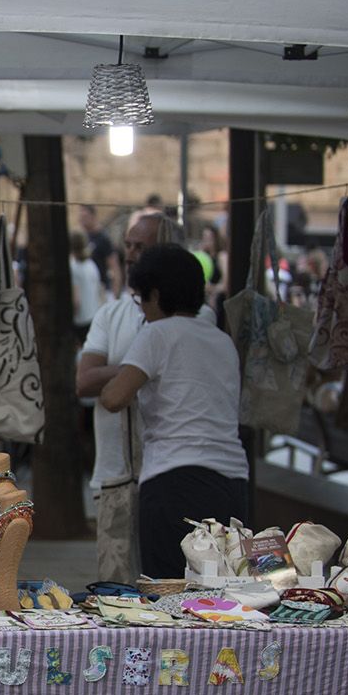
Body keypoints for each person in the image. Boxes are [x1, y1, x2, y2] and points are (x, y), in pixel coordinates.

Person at [99, 244, 249, 578]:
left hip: (174, 479)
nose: (142, 309)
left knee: (169, 593)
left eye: (141, 300)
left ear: (155, 294)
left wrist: (123, 371)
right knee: (224, 590)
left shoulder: (156, 334)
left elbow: (113, 398)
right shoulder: (222, 341)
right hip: (231, 481)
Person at [76, 212, 181, 583]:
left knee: (170, 584)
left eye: (143, 247)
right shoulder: (111, 314)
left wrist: (125, 370)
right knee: (116, 588)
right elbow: (85, 380)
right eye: (129, 246)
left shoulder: (195, 318)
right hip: (114, 475)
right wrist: (140, 365)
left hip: (170, 474)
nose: (132, 254)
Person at [70, 229, 104, 340]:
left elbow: (76, 300)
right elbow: (99, 290)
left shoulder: (74, 267)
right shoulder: (91, 264)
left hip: (82, 319)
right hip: (94, 314)